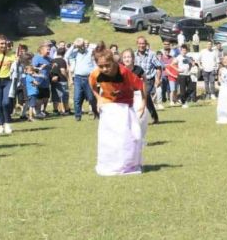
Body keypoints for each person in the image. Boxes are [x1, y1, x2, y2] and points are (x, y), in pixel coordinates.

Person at [89, 45, 146, 176]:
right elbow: (92, 85)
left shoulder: (124, 72)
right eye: (101, 66)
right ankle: (110, 165)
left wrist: (143, 103)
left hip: (125, 106)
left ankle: (129, 164)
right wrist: (98, 98)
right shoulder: (96, 73)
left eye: (107, 65)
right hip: (109, 106)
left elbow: (141, 85)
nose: (104, 69)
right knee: (110, 139)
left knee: (131, 137)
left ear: (113, 62)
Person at [65, 38, 98, 121]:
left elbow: (98, 47)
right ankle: (78, 116)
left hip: (89, 78)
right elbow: (66, 56)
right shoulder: (75, 53)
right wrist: (74, 45)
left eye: (83, 45)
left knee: (91, 98)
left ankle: (96, 113)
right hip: (78, 78)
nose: (82, 47)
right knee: (77, 98)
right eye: (80, 46)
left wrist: (86, 44)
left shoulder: (90, 52)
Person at [134, 37, 163, 112]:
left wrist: (158, 79)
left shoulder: (151, 54)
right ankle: (154, 115)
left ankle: (141, 112)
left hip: (149, 80)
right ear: (137, 44)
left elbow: (158, 67)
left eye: (143, 43)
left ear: (146, 44)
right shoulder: (134, 55)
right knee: (145, 97)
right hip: (137, 80)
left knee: (144, 94)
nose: (141, 45)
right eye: (140, 43)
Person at [32, 41, 52, 118]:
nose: (49, 51)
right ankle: (38, 112)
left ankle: (43, 111)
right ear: (42, 50)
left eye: (49, 50)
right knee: (39, 97)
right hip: (38, 81)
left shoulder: (49, 58)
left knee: (46, 97)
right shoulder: (36, 58)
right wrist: (40, 68)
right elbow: (33, 68)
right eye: (47, 49)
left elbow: (51, 66)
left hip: (46, 81)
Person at [50, 47, 70, 115]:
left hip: (54, 80)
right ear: (64, 53)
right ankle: (67, 110)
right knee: (64, 95)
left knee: (55, 95)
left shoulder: (53, 60)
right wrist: (67, 78)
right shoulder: (62, 60)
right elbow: (63, 71)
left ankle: (55, 110)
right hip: (62, 80)